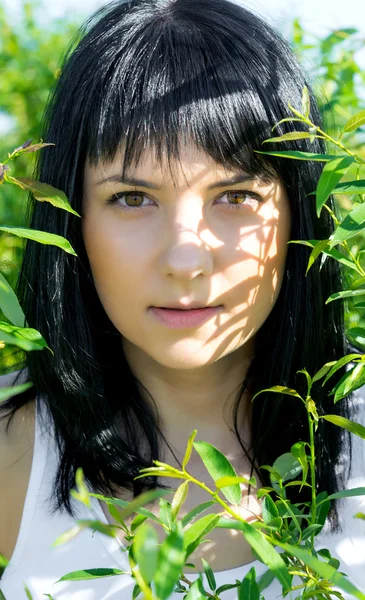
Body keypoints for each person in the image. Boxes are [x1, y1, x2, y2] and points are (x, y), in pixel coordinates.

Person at [1, 0, 365, 597]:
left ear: (301, 208)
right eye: (132, 199)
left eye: (236, 196)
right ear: (69, 216)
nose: (186, 259)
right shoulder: (11, 446)